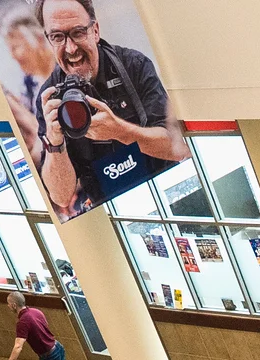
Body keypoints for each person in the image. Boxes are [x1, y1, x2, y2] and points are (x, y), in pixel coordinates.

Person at [31, 0, 186, 218]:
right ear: (49, 40)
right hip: (113, 212)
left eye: (78, 32)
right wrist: (54, 141)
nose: (71, 48)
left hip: (168, 192)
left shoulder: (134, 65)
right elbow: (61, 196)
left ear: (95, 31)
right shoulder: (50, 98)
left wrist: (119, 130)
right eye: (58, 37)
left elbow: (179, 148)